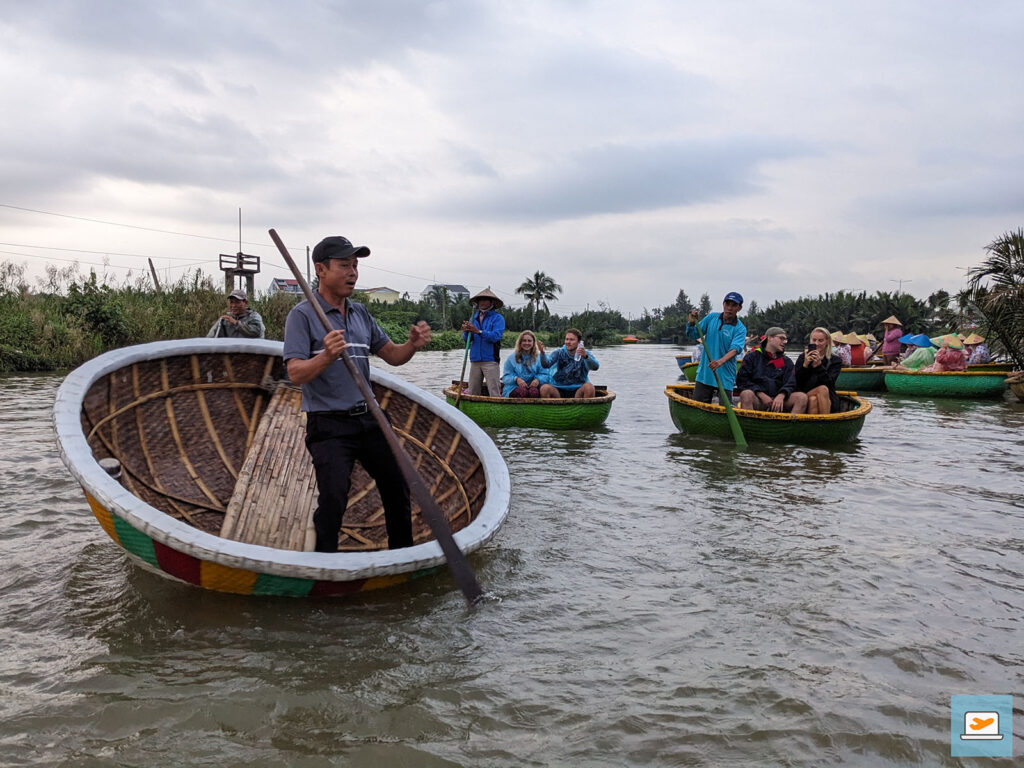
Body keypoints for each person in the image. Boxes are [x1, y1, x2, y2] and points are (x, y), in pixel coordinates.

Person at [283, 235, 432, 553]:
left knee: (397, 486)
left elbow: (392, 355)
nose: (352, 272)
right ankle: (324, 565)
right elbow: (295, 373)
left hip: (371, 417)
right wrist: (325, 357)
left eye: (355, 266)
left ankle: (401, 557)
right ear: (321, 269)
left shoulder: (361, 313)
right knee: (334, 498)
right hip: (329, 424)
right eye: (344, 265)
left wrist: (412, 346)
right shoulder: (303, 315)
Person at [685, 292, 747, 403]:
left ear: (739, 308)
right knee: (698, 407)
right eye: (727, 304)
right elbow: (694, 334)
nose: (729, 308)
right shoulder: (711, 318)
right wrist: (691, 323)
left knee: (724, 409)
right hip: (705, 373)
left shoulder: (740, 328)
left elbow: (735, 349)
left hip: (725, 375)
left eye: (733, 305)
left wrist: (720, 362)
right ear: (723, 304)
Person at [735, 327, 808, 413]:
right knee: (746, 394)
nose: (785, 342)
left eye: (785, 339)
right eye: (781, 338)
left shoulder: (787, 361)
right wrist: (760, 394)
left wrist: (781, 395)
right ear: (769, 338)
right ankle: (749, 424)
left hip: (780, 401)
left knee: (801, 397)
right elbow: (742, 380)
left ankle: (790, 425)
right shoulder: (752, 357)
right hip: (758, 399)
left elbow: (791, 382)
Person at [461, 288, 506, 396]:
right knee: (473, 391)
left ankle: (495, 411)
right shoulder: (473, 318)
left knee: (494, 391)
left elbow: (496, 336)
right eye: (480, 300)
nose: (482, 302)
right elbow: (467, 339)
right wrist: (466, 331)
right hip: (475, 359)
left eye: (485, 300)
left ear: (492, 303)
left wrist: (478, 331)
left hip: (490, 360)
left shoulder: (497, 318)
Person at [795, 326, 843, 413]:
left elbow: (830, 383)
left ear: (827, 342)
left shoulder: (835, 361)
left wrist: (819, 366)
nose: (816, 343)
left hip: (827, 396)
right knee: (821, 389)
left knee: (814, 398)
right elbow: (797, 381)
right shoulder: (802, 358)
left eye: (820, 340)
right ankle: (826, 422)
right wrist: (805, 365)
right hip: (805, 393)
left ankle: (817, 425)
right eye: (814, 340)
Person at [501, 330, 558, 398]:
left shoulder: (539, 357)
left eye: (529, 341)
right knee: (522, 392)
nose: (526, 343)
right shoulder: (511, 358)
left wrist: (538, 380)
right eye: (524, 340)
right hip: (513, 387)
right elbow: (506, 377)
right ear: (520, 342)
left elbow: (546, 374)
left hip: (534, 387)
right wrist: (516, 379)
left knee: (533, 393)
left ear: (533, 343)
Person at [546, 328, 599, 398]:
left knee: (589, 387)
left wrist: (586, 357)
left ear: (579, 342)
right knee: (545, 388)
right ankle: (553, 408)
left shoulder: (585, 353)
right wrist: (543, 355)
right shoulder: (558, 353)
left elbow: (595, 367)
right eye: (567, 339)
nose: (568, 342)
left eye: (571, 340)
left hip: (579, 388)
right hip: (558, 388)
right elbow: (546, 364)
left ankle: (583, 408)